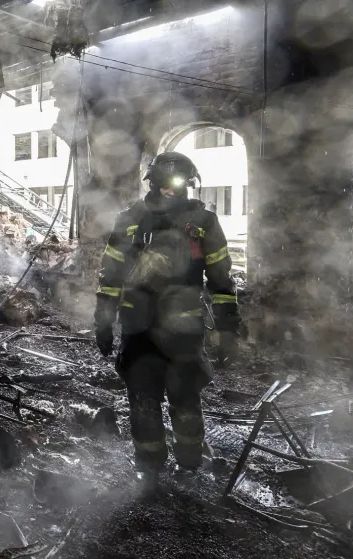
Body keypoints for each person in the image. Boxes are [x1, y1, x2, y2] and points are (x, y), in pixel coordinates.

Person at [94, 151, 241, 484]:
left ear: (189, 183)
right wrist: (103, 321)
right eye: (161, 182)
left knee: (186, 400)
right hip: (138, 331)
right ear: (151, 181)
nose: (169, 189)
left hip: (183, 333)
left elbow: (220, 279)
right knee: (143, 402)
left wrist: (228, 327)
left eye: (176, 182)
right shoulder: (130, 219)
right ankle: (149, 468)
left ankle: (189, 464)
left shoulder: (203, 223)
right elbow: (111, 276)